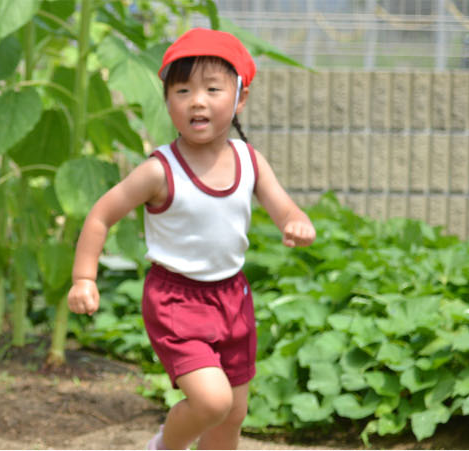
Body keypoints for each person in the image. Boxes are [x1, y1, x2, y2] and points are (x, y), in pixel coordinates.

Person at [65, 28, 317, 450]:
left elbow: (283, 206)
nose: (196, 100)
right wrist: (83, 278)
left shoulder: (249, 160)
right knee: (212, 401)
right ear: (167, 100)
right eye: (182, 90)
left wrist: (296, 222)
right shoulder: (160, 171)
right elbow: (101, 215)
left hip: (233, 298)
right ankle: (165, 446)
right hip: (176, 301)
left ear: (240, 99)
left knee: (233, 413)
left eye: (212, 88)